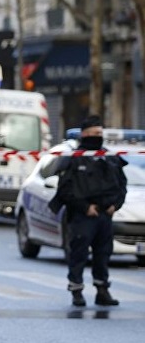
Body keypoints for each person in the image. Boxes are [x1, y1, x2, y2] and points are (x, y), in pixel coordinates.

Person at [49, 115, 127, 307]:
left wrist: (114, 205)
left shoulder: (109, 157)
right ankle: (77, 291)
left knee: (103, 255)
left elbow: (121, 185)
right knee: (78, 255)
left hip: (104, 215)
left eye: (100, 133)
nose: (97, 137)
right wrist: (85, 207)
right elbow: (65, 190)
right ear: (84, 135)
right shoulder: (74, 158)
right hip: (83, 216)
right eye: (93, 134)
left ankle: (102, 291)